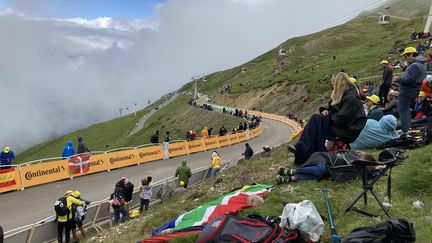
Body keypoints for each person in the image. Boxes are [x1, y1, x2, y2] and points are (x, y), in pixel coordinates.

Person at [288, 72, 366, 164]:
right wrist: (326, 111)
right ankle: (305, 150)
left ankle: (304, 150)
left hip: (347, 130)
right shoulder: (346, 95)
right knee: (316, 120)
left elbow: (342, 119)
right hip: (341, 126)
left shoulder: (351, 98)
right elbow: (335, 110)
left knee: (316, 120)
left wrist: (327, 116)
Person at [277, 151, 384, 183]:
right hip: (322, 157)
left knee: (320, 175)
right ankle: (293, 171)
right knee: (320, 170)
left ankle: (289, 178)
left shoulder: (361, 171)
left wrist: (379, 167)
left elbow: (373, 172)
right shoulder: (354, 157)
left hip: (329, 169)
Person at [397, 47, 427, 135]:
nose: (405, 58)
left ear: (411, 54)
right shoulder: (421, 63)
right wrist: (405, 68)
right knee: (406, 111)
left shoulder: (415, 65)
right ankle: (409, 129)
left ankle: (406, 131)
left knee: (403, 111)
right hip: (413, 91)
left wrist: (398, 79)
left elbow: (409, 80)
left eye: (406, 56)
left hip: (407, 91)